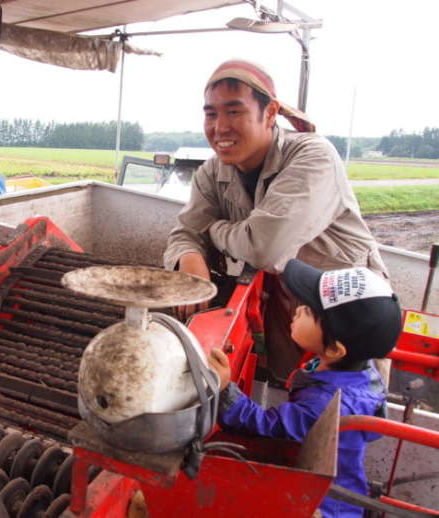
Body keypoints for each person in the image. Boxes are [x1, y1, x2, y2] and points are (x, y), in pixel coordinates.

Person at [164, 59, 387, 380]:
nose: (219, 127)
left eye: (234, 111)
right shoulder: (213, 171)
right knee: (293, 393)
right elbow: (186, 230)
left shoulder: (313, 156)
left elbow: (265, 249)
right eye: (211, 113)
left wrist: (213, 230)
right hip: (287, 305)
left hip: (346, 310)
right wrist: (189, 258)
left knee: (341, 412)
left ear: (270, 114)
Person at [207, 258, 402, 518]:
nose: (297, 309)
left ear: (334, 349)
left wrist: (224, 388)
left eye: (309, 311)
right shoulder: (357, 369)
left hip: (323, 506)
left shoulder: (324, 405)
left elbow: (265, 428)